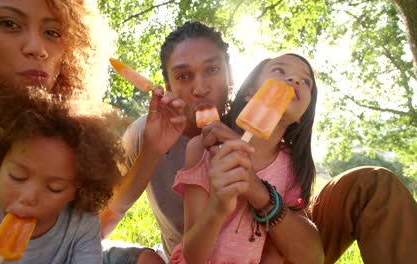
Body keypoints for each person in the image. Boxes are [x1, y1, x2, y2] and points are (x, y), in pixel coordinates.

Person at [103, 20, 417, 264]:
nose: (200, 88)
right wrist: (152, 152)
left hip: (282, 247)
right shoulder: (148, 133)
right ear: (167, 82)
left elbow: (310, 252)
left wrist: (258, 191)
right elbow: (104, 217)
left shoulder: (268, 138)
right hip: (203, 253)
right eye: (183, 76)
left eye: (212, 70)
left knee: (373, 183)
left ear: (230, 76)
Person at [0, 0, 112, 237]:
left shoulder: (78, 135)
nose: (37, 48)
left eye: (52, 32)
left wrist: (151, 150)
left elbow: (86, 234)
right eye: (9, 23)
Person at [170, 53, 323, 263]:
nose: (294, 80)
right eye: (279, 70)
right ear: (250, 93)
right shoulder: (205, 148)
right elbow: (192, 255)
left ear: (302, 115)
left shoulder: (292, 166)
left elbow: (297, 253)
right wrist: (219, 207)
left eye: (305, 81)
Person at [0, 87, 124, 263]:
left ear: (77, 191)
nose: (29, 196)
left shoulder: (81, 224)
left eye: (55, 188)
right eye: (17, 177)